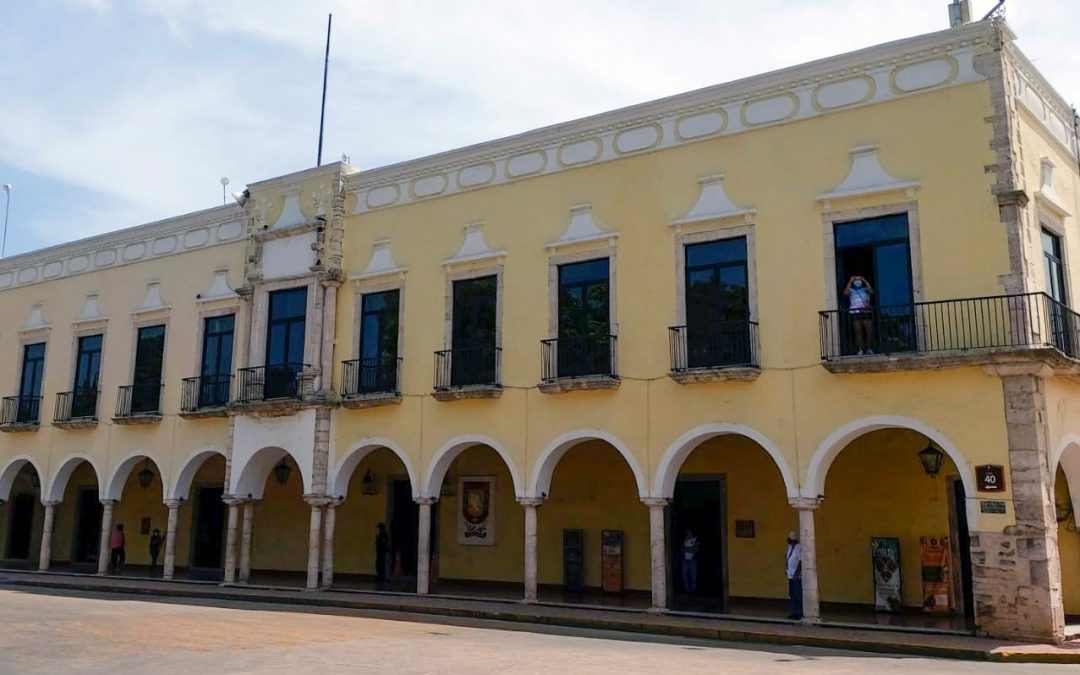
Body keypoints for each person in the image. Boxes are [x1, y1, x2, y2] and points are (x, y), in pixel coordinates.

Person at [843, 274, 874, 355]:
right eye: (856, 280)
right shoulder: (851, 290)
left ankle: (869, 349)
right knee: (858, 331)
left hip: (866, 312)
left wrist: (864, 280)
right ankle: (861, 349)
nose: (857, 282)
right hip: (855, 312)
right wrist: (850, 281)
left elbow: (871, 291)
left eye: (859, 280)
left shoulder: (865, 289)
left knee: (869, 330)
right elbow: (845, 293)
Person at [786, 530, 803, 620]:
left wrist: (797, 573)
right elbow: (789, 558)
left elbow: (800, 561)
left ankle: (799, 612)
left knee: (797, 595)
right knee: (792, 594)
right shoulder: (790, 547)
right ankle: (794, 612)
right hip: (790, 574)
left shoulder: (798, 547)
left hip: (796, 576)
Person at [682, 529, 699, 596]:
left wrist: (689, 549)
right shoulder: (684, 539)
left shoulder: (695, 539)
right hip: (685, 559)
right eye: (687, 532)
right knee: (684, 575)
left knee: (693, 575)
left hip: (692, 558)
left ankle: (693, 589)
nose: (688, 533)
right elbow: (682, 549)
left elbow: (696, 549)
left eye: (689, 532)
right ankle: (686, 589)